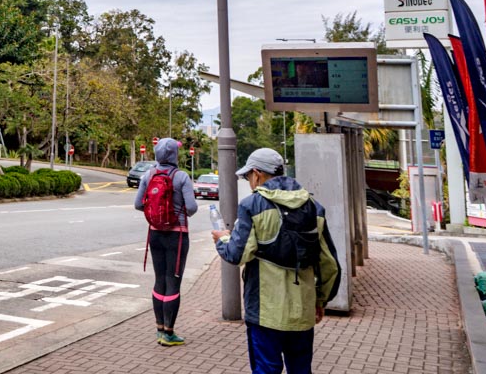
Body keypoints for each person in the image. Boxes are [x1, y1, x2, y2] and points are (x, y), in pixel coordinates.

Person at [212, 147, 341, 374]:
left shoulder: (252, 206)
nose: (249, 182)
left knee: (266, 369)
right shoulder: (313, 207)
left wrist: (222, 239)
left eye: (248, 177)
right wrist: (320, 300)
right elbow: (329, 264)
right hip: (302, 309)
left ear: (257, 174)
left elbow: (237, 254)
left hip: (264, 310)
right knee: (301, 369)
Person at [133, 137, 198, 346]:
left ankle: (159, 329)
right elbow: (192, 208)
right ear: (175, 155)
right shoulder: (181, 177)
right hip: (176, 236)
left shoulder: (148, 175)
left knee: (159, 279)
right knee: (173, 281)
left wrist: (156, 213)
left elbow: (138, 204)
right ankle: (169, 333)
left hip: (155, 234)